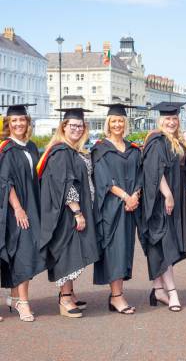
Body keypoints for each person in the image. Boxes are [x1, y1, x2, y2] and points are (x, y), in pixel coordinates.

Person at [38, 108, 99, 318]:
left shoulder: (73, 150)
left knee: (73, 252)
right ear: (63, 127)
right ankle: (64, 299)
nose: (76, 129)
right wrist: (77, 212)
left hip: (73, 211)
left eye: (80, 126)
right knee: (67, 252)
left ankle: (69, 294)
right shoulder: (61, 151)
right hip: (66, 214)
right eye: (72, 125)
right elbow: (65, 184)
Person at [141, 102, 186, 312]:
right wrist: (168, 194)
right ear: (160, 120)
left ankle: (158, 289)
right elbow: (155, 170)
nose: (171, 122)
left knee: (162, 245)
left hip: (173, 200)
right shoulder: (156, 140)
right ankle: (172, 293)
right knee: (165, 244)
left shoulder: (176, 140)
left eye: (174, 119)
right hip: (160, 201)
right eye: (167, 119)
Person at [91, 104, 142, 315]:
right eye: (114, 121)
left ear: (125, 123)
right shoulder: (100, 148)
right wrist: (125, 196)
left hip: (129, 208)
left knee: (125, 249)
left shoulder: (133, 148)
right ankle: (116, 296)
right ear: (108, 124)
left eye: (121, 120)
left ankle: (117, 294)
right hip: (111, 207)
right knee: (114, 250)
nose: (118, 124)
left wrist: (136, 195)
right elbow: (103, 179)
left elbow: (141, 175)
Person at [0, 104, 46, 322]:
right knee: (23, 252)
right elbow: (5, 182)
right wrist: (18, 208)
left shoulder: (31, 147)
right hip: (13, 211)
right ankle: (23, 303)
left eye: (22, 120)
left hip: (30, 207)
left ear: (27, 122)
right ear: (8, 123)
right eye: (13, 121)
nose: (18, 124)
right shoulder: (7, 148)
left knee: (22, 252)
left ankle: (14, 297)